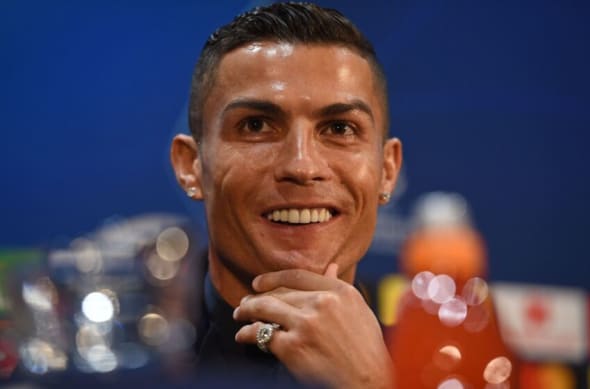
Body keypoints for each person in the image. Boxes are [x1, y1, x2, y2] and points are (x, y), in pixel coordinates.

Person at [170, 2, 402, 388]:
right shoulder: (126, 367)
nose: (302, 166)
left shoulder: (455, 371)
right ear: (190, 165)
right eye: (257, 125)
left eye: (340, 128)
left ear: (387, 170)